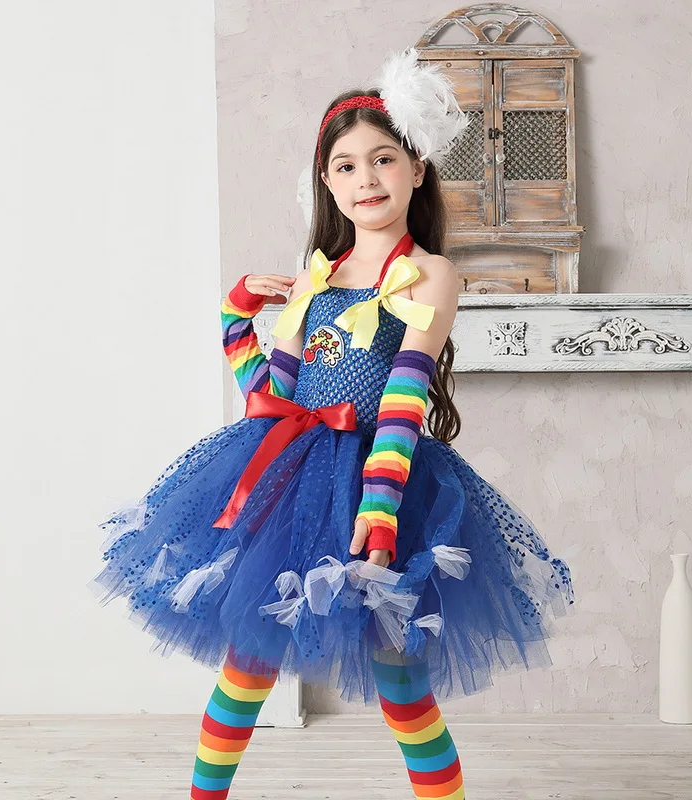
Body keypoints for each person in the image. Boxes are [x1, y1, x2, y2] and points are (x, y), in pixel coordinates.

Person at [90, 47, 575, 800]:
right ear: (326, 181)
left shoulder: (430, 274)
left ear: (417, 169)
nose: (365, 179)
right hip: (291, 481)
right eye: (345, 166)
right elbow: (272, 398)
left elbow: (405, 397)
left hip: (384, 482)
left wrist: (380, 510)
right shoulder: (315, 275)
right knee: (245, 668)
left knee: (400, 682)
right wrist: (234, 319)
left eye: (383, 159)